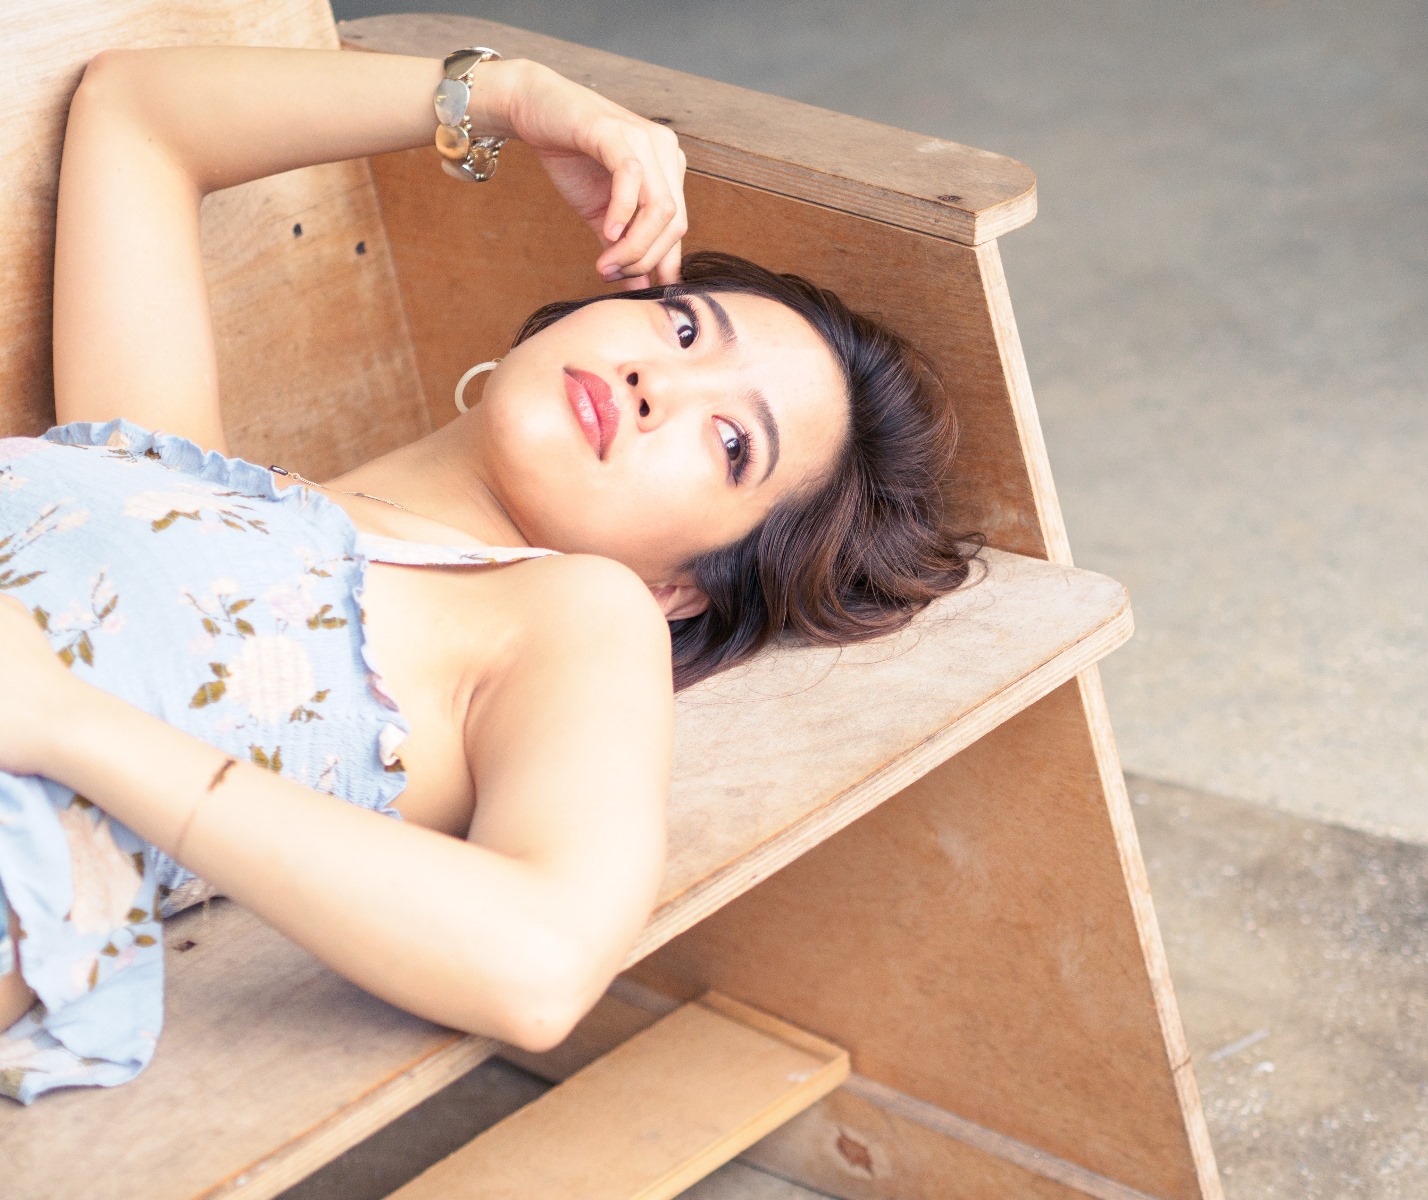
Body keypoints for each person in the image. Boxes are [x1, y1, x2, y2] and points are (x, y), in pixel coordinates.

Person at [0, 44, 974, 1102]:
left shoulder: (562, 617)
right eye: (685, 325)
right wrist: (508, 96)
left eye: (732, 444)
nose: (662, 383)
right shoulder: (154, 463)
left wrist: (66, 723)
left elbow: (542, 962)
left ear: (679, 588)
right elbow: (140, 113)